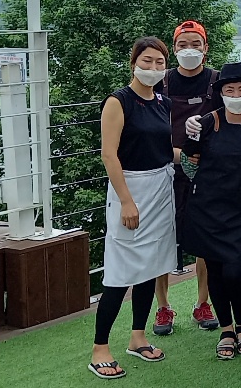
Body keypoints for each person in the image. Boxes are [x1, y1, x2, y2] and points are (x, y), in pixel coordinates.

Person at [90, 37, 176, 379]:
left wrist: (197, 153)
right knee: (119, 271)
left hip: (161, 190)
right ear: (134, 63)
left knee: (150, 266)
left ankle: (137, 336)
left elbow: (164, 149)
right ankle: (100, 348)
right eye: (147, 61)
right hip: (130, 190)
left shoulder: (163, 102)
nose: (153, 67)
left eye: (159, 62)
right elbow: (109, 155)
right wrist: (126, 200)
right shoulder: (118, 101)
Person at [180, 62, 241, 361]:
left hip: (239, 210)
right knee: (215, 272)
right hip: (205, 211)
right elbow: (188, 162)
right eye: (229, 90)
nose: (236, 95)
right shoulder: (206, 123)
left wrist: (240, 188)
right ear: (220, 93)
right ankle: (226, 329)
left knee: (234, 270)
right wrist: (208, 188)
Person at [152, 20, 218, 337]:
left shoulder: (218, 82)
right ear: (174, 48)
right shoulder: (160, 83)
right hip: (164, 172)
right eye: (182, 45)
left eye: (195, 44)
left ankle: (203, 303)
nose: (189, 50)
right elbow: (147, 130)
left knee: (204, 241)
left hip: (206, 174)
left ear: (205, 48)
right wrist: (177, 154)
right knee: (162, 239)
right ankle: (163, 307)